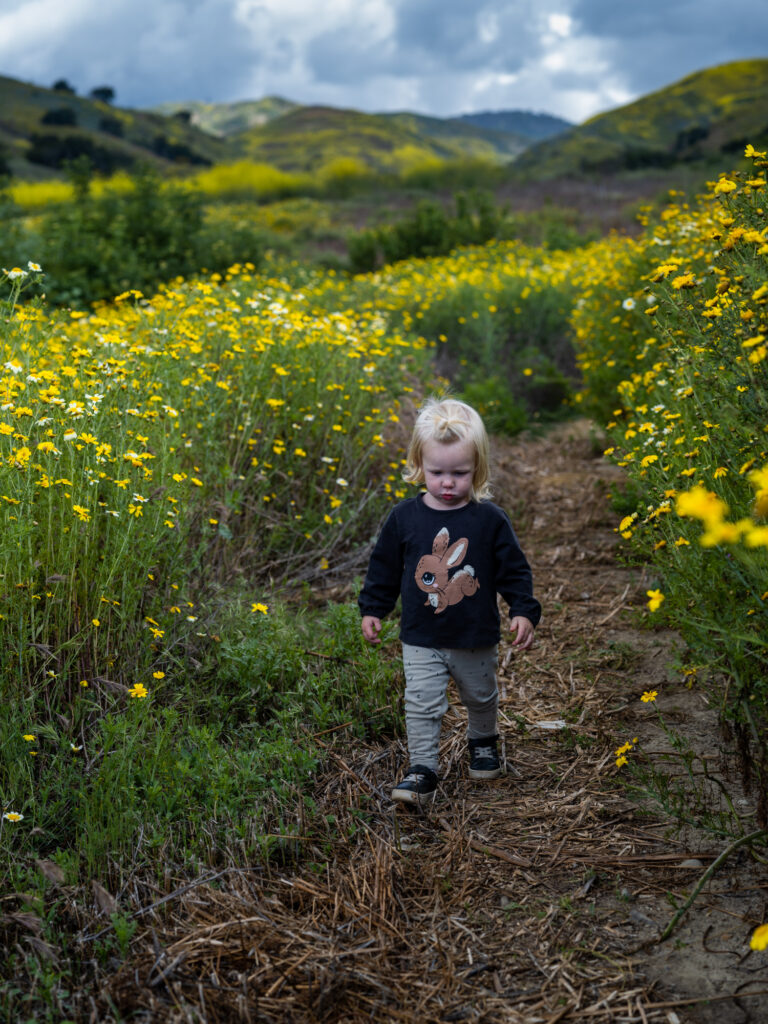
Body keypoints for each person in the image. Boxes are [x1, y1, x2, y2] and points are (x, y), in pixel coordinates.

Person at [359, 396, 541, 806]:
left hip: (475, 635)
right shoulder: (404, 517)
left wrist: (524, 609)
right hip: (421, 636)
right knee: (421, 704)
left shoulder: (489, 519)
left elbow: (514, 570)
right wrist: (373, 607)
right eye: (436, 472)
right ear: (418, 465)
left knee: (480, 695)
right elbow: (384, 568)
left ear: (477, 470)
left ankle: (483, 741)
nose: (446, 483)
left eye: (459, 473)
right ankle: (422, 768)